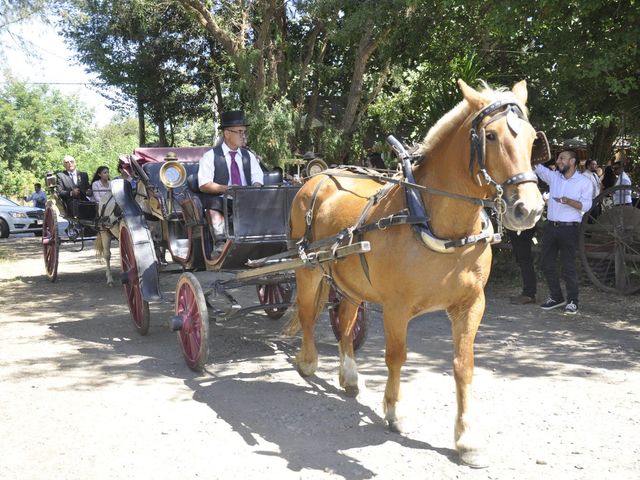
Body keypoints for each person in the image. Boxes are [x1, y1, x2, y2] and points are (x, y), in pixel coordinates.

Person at [534, 149, 592, 315]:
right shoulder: (554, 177)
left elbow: (586, 206)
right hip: (551, 227)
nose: (558, 161)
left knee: (568, 266)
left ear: (572, 162)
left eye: (562, 158)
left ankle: (573, 301)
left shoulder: (583, 182)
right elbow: (537, 168)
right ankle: (556, 297)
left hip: (570, 228)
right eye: (558, 158)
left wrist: (568, 201)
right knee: (546, 263)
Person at [198, 110, 264, 252]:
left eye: (244, 132)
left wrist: (255, 188)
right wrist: (227, 188)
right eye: (239, 131)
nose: (243, 135)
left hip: (247, 198)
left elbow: (258, 177)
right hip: (223, 199)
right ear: (227, 133)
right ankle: (220, 242)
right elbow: (204, 184)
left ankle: (266, 239)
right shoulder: (210, 156)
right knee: (212, 203)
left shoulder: (249, 156)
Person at [506, 226, 538, 304]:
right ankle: (528, 293)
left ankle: (529, 294)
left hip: (523, 225)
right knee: (522, 258)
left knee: (524, 258)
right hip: (519, 224)